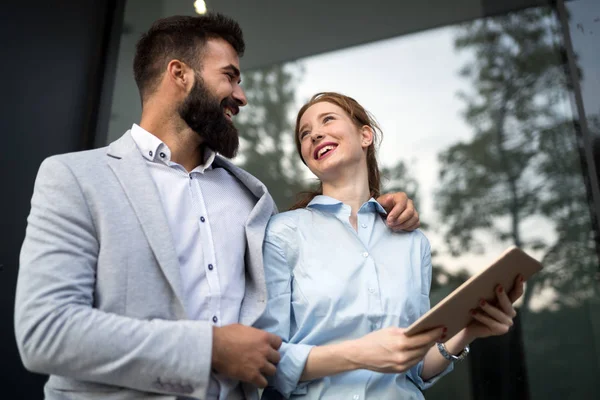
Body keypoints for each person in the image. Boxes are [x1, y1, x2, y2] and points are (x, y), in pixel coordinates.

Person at [14, 14, 421, 400]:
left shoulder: (251, 198)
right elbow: (45, 332)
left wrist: (383, 209)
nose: (241, 96)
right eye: (230, 76)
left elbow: (324, 254)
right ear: (180, 74)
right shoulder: (75, 176)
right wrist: (208, 348)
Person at [254, 92, 525, 399]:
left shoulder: (413, 242)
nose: (315, 133)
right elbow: (268, 361)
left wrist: (471, 329)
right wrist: (360, 354)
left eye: (328, 119)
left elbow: (416, 368)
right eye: (305, 134)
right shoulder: (283, 232)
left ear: (365, 135)